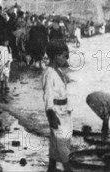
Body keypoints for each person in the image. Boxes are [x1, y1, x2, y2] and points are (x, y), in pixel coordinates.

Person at [43, 40, 73, 172]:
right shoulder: (49, 73)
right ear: (55, 56)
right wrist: (51, 114)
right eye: (63, 55)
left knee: (56, 141)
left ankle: (52, 166)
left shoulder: (58, 71)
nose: (65, 59)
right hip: (56, 111)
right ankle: (67, 168)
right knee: (62, 142)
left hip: (64, 110)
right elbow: (48, 95)